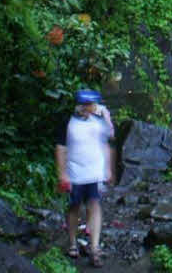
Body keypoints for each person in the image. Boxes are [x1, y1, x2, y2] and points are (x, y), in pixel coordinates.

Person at [55, 89, 114, 268]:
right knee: (74, 207)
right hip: (75, 173)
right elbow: (61, 148)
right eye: (86, 104)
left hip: (94, 172)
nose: (89, 107)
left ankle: (94, 247)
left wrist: (108, 169)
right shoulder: (68, 122)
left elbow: (106, 144)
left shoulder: (99, 121)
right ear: (79, 104)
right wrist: (62, 173)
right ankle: (73, 243)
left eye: (92, 104)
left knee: (94, 205)